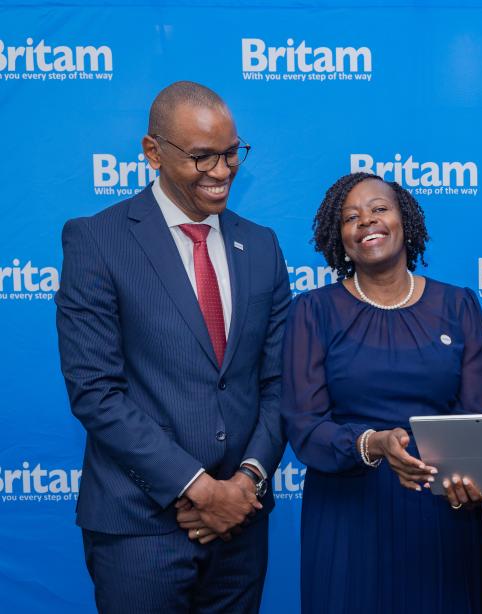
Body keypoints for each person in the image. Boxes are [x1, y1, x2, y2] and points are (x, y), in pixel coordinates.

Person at [55, 81, 290, 613]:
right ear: (153, 152)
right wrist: (198, 489)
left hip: (240, 523)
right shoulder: (97, 240)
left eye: (232, 153)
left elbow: (277, 383)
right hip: (139, 526)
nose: (223, 171)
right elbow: (95, 391)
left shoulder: (261, 245)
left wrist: (245, 482)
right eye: (202, 157)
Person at [282, 171, 482, 614]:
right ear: (337, 236)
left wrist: (472, 476)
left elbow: (478, 419)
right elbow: (304, 426)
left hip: (441, 514)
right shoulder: (312, 312)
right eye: (350, 217)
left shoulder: (458, 306)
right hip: (348, 514)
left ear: (405, 221)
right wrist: (371, 443)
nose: (366, 222)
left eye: (379, 209)